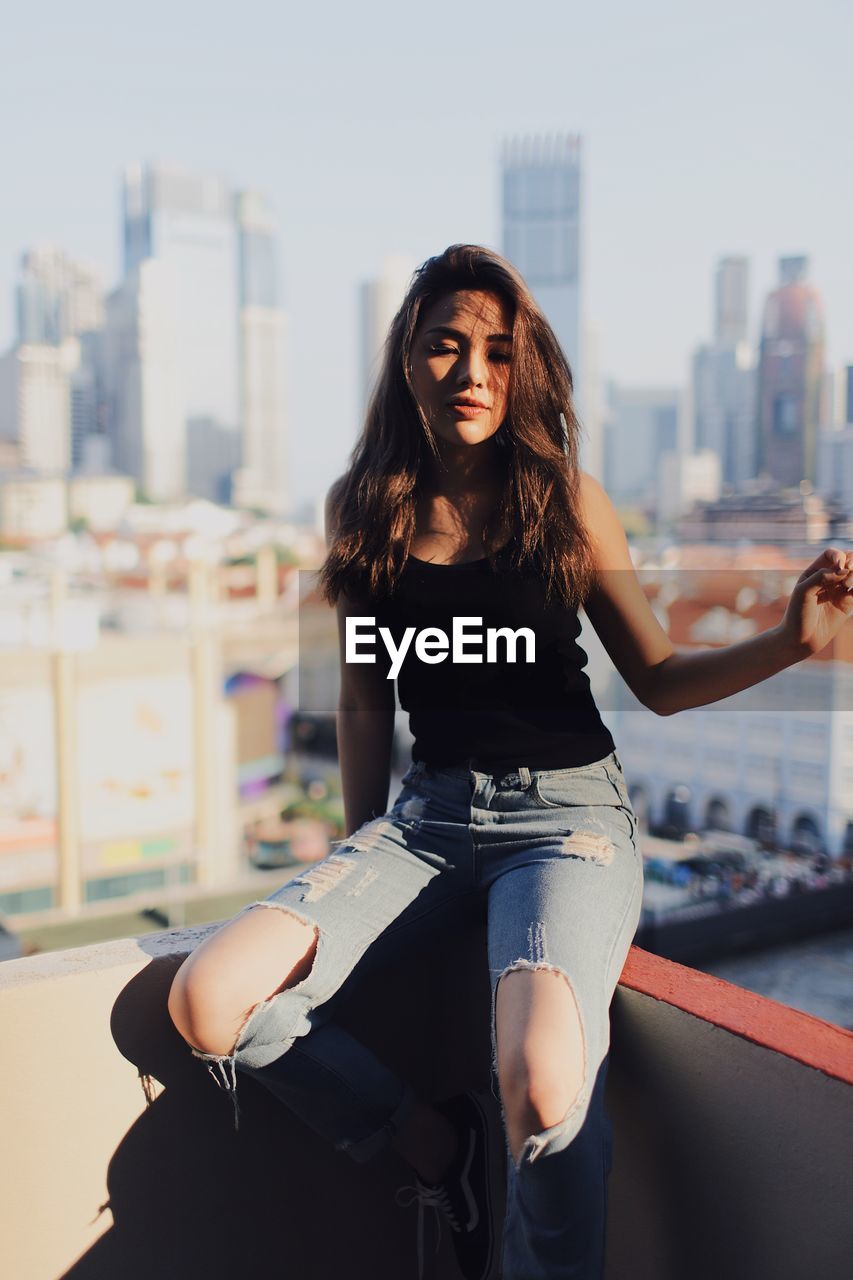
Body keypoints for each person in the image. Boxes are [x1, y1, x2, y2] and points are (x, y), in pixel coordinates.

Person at [167, 244, 853, 1280]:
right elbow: (363, 698)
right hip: (422, 821)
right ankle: (429, 1141)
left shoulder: (567, 502)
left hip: (567, 820)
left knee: (538, 1077)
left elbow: (658, 674)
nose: (472, 369)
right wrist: (361, 852)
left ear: (522, 366)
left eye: (497, 349)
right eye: (446, 344)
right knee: (208, 997)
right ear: (408, 361)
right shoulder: (363, 508)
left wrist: (793, 643)